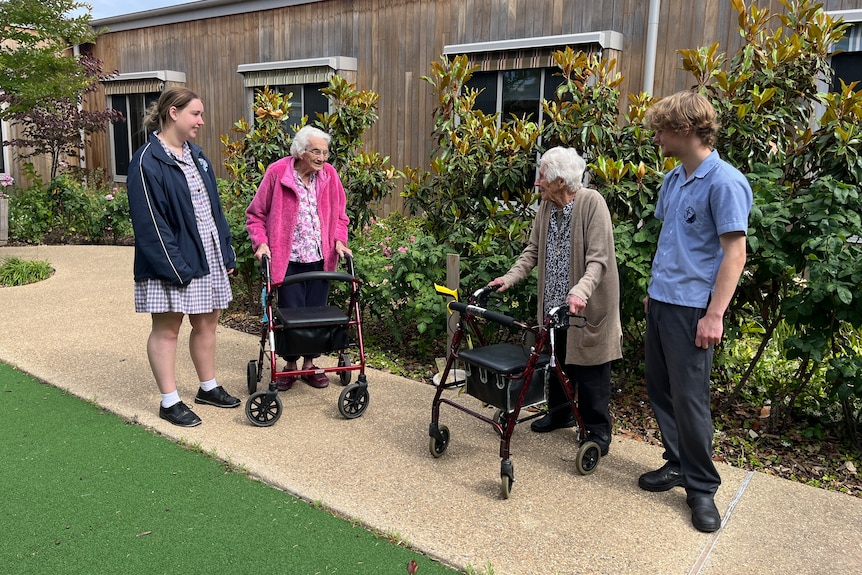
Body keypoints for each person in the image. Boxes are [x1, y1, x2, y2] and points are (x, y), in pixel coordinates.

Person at [639, 91, 753, 533]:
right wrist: (654, 291)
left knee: (690, 400)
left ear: (685, 130)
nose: (657, 137)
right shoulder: (674, 179)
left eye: (662, 130)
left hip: (693, 310)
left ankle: (702, 488)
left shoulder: (725, 182)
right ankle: (679, 462)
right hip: (663, 302)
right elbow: (673, 241)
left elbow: (735, 254)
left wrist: (715, 314)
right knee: (661, 388)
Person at [489, 146, 622, 456]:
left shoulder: (592, 204)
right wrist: (509, 278)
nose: (538, 182)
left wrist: (581, 290)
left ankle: (597, 431)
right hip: (555, 306)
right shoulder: (547, 208)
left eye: (543, 176)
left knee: (591, 372)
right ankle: (560, 413)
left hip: (587, 308)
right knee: (557, 363)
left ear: (561, 181)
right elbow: (532, 252)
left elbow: (600, 259)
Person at [127, 87, 241, 428]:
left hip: (206, 255)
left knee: (207, 322)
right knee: (167, 329)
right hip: (171, 261)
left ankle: (207, 387)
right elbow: (150, 223)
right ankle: (169, 400)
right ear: (173, 113)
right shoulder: (147, 160)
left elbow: (213, 209)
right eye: (196, 114)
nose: (201, 121)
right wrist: (175, 268)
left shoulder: (197, 156)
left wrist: (225, 249)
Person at [246, 125, 352, 390]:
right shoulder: (278, 172)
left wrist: (339, 241)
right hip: (289, 260)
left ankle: (309, 364)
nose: (322, 158)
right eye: (316, 151)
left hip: (320, 258)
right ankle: (290, 366)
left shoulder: (329, 175)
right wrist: (261, 244)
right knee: (290, 315)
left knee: (316, 314)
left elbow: (341, 216)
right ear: (301, 151)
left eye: (325, 152)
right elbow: (255, 214)